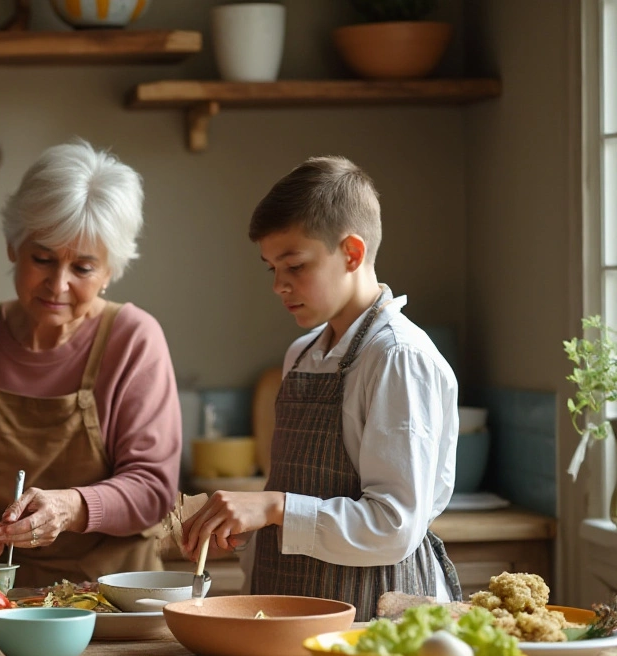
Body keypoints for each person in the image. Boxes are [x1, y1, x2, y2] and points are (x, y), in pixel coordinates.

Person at [179, 156, 461, 621]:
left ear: (351, 252)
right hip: (287, 609)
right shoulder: (303, 353)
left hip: (370, 621)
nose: (278, 285)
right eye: (270, 268)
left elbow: (393, 527)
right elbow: (295, 497)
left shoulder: (397, 358)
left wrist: (272, 506)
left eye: (294, 265)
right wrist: (250, 523)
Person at [0, 139, 182, 593]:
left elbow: (153, 489)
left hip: (107, 598)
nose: (58, 284)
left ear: (111, 270)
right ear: (14, 246)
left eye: (84, 268)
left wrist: (71, 507)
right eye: (43, 259)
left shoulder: (133, 339)